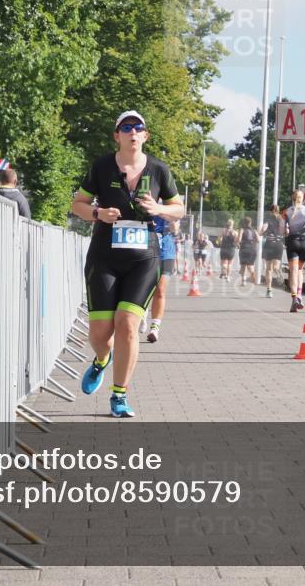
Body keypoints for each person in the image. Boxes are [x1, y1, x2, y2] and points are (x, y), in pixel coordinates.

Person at [71, 110, 184, 418]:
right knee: (100, 334)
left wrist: (159, 209)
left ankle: (119, 395)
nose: (132, 132)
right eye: (126, 127)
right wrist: (98, 213)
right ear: (117, 135)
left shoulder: (159, 170)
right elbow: (77, 204)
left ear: (145, 136)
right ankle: (101, 360)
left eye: (138, 128)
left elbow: (178, 209)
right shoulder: (101, 166)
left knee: (127, 324)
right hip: (104, 258)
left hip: (143, 259)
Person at [143, 218, 179, 343]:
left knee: (160, 290)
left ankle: (154, 328)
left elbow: (176, 226)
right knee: (144, 289)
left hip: (166, 252)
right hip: (144, 249)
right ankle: (142, 312)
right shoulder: (142, 206)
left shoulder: (167, 207)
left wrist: (173, 226)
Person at [260, 204, 284, 298]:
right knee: (275, 267)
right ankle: (278, 270)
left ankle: (269, 290)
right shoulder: (282, 220)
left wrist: (260, 232)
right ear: (278, 211)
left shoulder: (268, 219)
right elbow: (286, 230)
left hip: (269, 244)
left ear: (271, 211)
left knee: (269, 269)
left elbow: (263, 228)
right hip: (278, 244)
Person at [237, 216, 259, 286]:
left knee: (243, 265)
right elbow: (258, 240)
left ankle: (243, 281)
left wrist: (238, 243)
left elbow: (239, 239)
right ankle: (252, 272)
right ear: (251, 223)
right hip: (252, 249)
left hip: (244, 248)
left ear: (244, 223)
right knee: (250, 265)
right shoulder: (254, 230)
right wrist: (252, 241)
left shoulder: (242, 229)